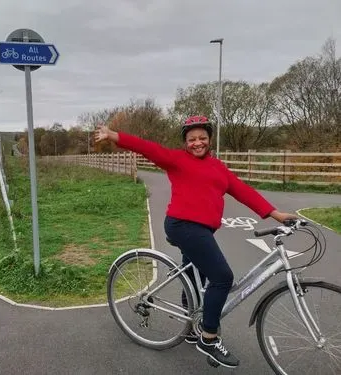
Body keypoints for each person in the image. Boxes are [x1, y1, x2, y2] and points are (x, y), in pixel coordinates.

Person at [94, 115, 298, 368]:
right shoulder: (177, 160)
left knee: (194, 276)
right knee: (222, 278)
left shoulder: (218, 167)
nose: (197, 143)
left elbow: (243, 191)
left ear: (209, 139)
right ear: (185, 142)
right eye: (192, 139)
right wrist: (114, 135)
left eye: (202, 138)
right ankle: (209, 338)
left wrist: (276, 214)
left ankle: (191, 327)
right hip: (183, 226)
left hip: (202, 230)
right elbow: (148, 147)